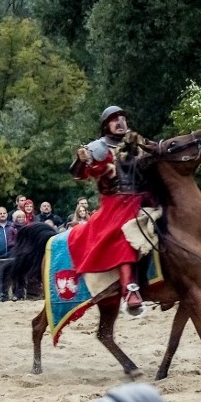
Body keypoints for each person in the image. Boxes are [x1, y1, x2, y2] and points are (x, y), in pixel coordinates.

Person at [67, 105, 153, 315]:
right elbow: (78, 174)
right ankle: (129, 291)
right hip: (115, 205)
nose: (120, 122)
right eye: (115, 119)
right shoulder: (98, 148)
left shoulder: (137, 142)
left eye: (122, 118)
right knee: (124, 235)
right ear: (106, 125)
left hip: (143, 199)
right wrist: (81, 159)